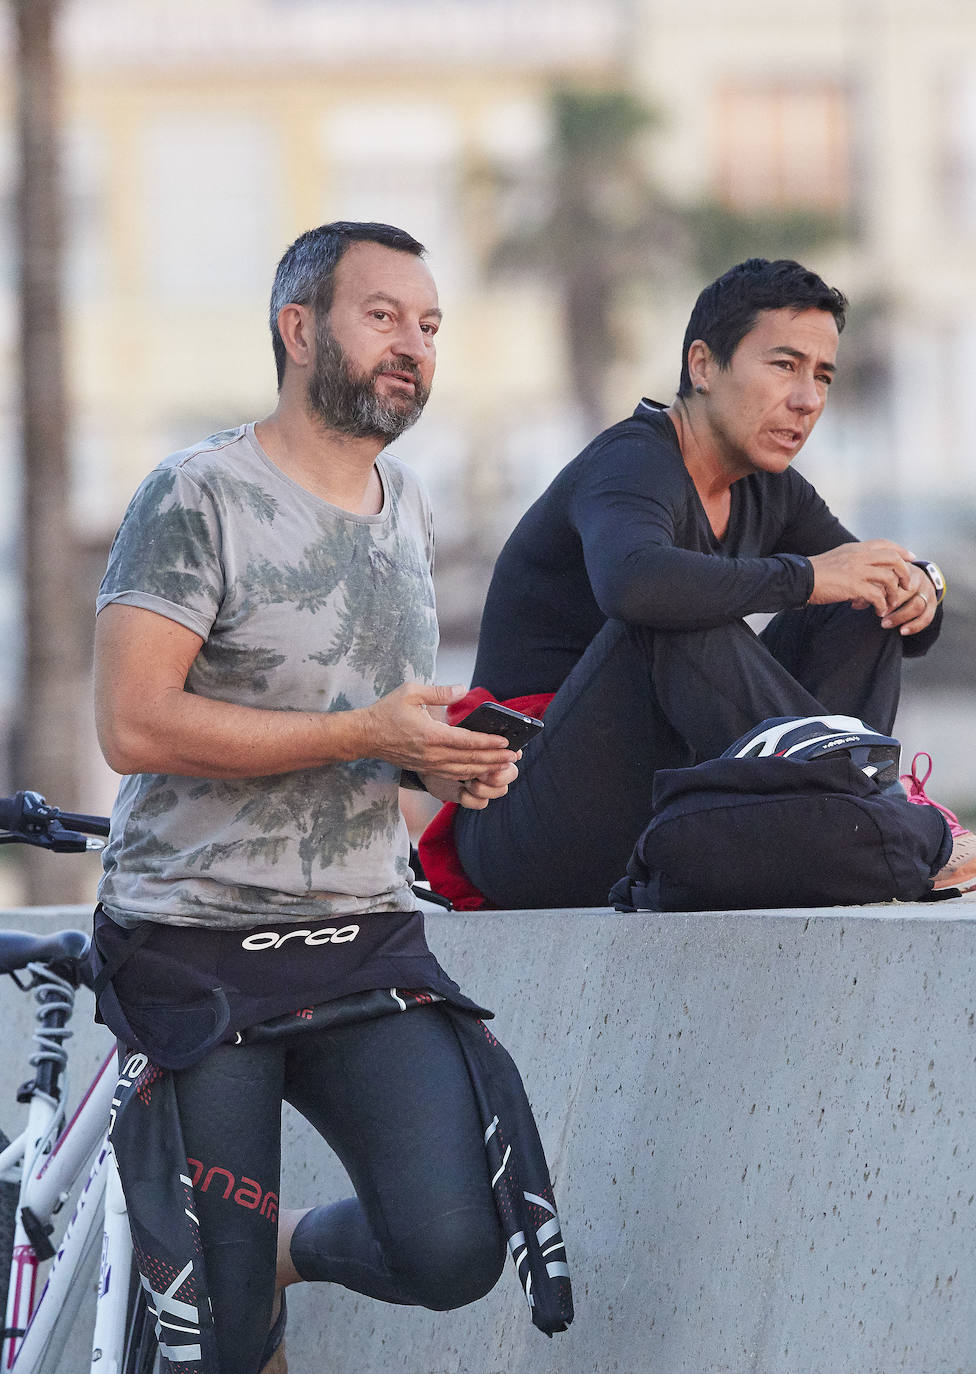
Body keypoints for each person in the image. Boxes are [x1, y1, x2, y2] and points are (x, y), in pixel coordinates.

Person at [91, 222, 571, 1374]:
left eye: (430, 324)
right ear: (297, 328)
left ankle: (279, 1247)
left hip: (361, 939)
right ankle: (240, 1275)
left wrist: (434, 763)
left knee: (453, 1246)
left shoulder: (402, 501)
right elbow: (131, 724)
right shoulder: (196, 493)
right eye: (384, 315)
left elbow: (365, 726)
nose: (414, 345)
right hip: (194, 944)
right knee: (219, 1333)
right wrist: (366, 733)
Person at [442, 257, 976, 909]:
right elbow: (632, 586)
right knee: (667, 611)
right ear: (702, 365)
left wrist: (918, 586)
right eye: (783, 366)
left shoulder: (770, 488)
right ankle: (881, 813)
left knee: (858, 601)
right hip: (523, 822)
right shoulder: (630, 464)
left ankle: (851, 825)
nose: (806, 399)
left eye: (821, 376)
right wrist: (805, 578)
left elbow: (869, 589)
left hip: (663, 805)